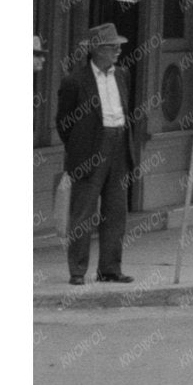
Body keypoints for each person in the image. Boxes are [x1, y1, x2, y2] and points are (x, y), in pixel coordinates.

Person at [55, 21, 143, 286]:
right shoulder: (75, 81)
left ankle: (110, 269)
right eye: (111, 46)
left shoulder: (122, 74)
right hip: (89, 149)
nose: (117, 51)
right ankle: (77, 270)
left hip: (118, 143)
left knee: (116, 211)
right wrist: (79, 147)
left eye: (118, 46)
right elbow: (64, 123)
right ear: (95, 50)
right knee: (83, 212)